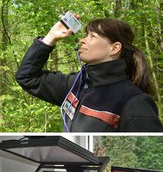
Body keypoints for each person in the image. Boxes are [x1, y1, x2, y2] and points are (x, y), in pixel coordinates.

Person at [16, 17, 163, 132]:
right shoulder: (75, 85)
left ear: (115, 48)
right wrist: (51, 36)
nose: (82, 40)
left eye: (92, 36)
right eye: (86, 35)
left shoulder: (135, 102)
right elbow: (28, 77)